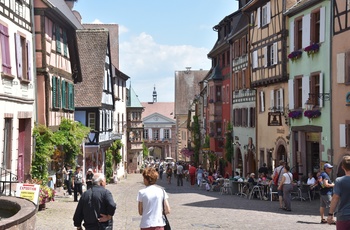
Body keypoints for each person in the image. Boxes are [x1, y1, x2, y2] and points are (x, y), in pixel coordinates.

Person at [327, 156, 350, 228]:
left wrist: (330, 214)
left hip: (344, 216)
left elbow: (335, 198)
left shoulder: (339, 181)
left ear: (342, 167)